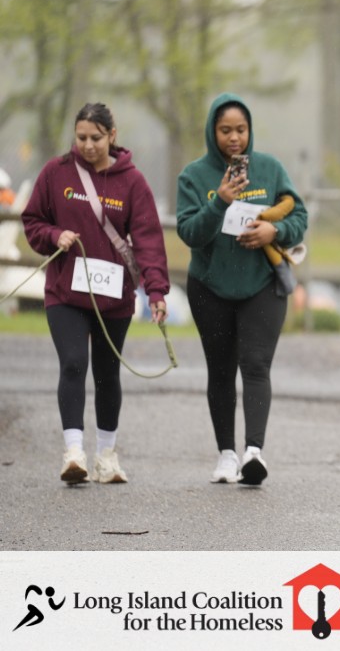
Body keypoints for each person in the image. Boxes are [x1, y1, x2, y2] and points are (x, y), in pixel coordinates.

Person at [21, 102, 170, 485]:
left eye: (96, 138)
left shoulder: (132, 182)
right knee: (73, 363)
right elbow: (32, 220)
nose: (87, 145)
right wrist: (55, 235)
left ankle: (107, 455)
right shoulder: (56, 173)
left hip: (114, 296)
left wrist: (156, 291)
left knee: (107, 373)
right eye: (81, 137)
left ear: (112, 136)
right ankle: (74, 452)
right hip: (65, 292)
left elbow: (149, 240)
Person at [176, 93, 307, 486]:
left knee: (256, 364)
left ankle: (253, 452)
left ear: (249, 131)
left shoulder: (269, 169)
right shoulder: (194, 176)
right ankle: (226, 455)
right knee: (221, 370)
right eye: (225, 130)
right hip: (210, 287)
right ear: (212, 132)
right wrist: (219, 202)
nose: (234, 138)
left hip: (261, 284)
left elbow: (299, 216)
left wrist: (274, 230)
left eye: (241, 129)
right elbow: (190, 233)